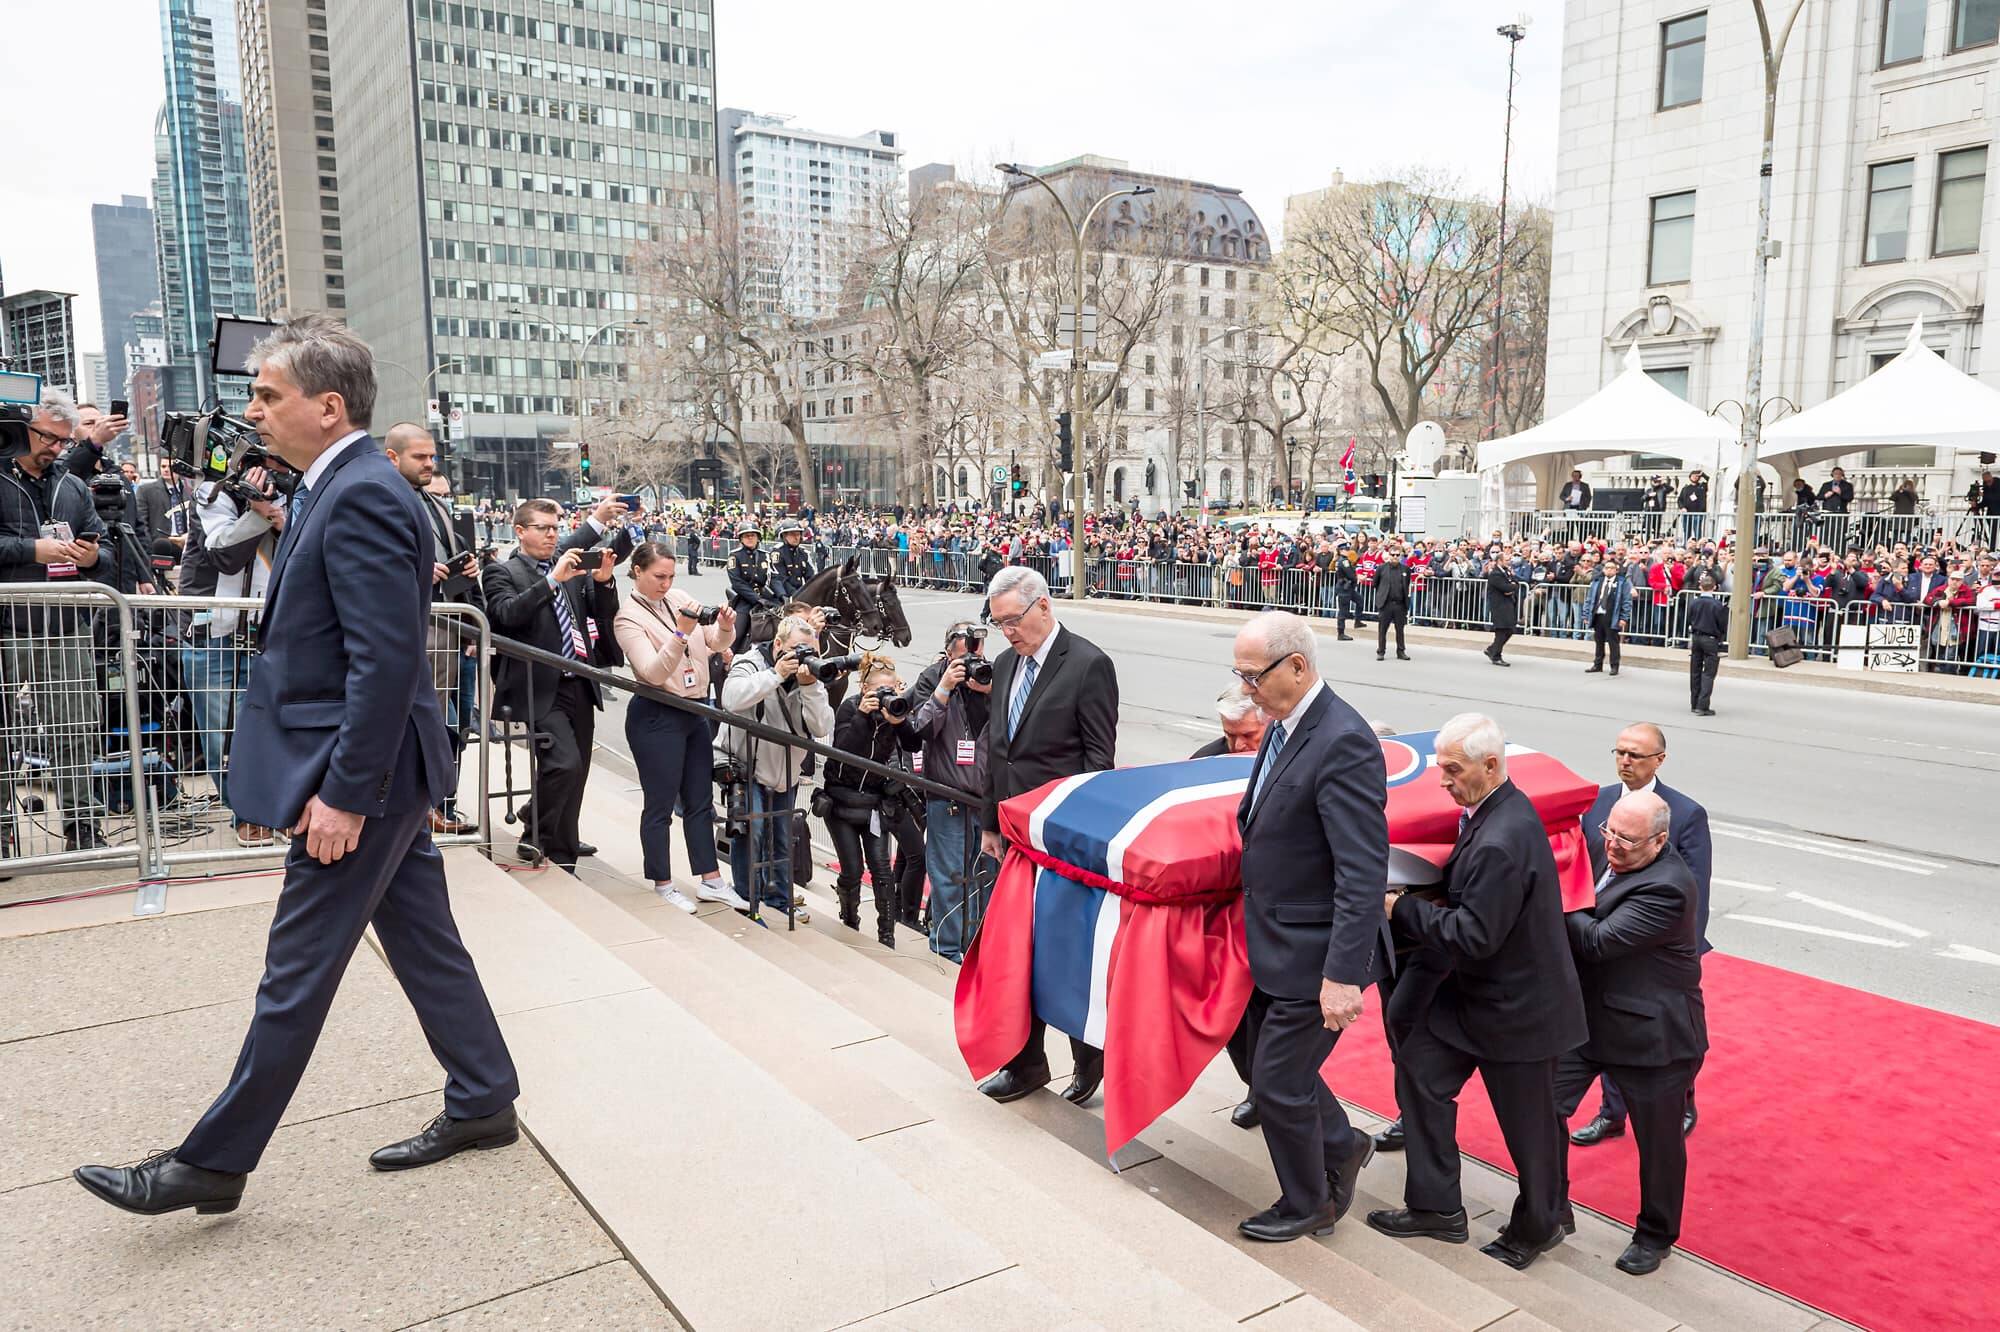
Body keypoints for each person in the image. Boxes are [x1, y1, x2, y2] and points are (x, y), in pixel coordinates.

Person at [73, 313, 517, 1217]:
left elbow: (385, 662)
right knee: (425, 943)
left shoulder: (362, 493)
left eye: (268, 395)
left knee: (296, 971)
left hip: (363, 778)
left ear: (327, 406)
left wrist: (346, 795)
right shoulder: (335, 483)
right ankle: (483, 1098)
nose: (252, 410)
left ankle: (213, 1162)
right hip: (378, 769)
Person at [1368, 712, 1587, 1271]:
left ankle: (1540, 1224)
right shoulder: (1494, 811)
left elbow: (1475, 935)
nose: (1442, 780)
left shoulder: (1500, 838)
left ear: (1490, 765)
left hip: (1519, 1012)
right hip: (1478, 998)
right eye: (1441, 767)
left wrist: (1402, 907)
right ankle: (1436, 1207)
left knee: (1531, 1129)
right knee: (1419, 1073)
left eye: (1453, 770)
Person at [1227, 613, 1388, 1242]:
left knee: (1278, 1081)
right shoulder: (1284, 723)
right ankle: (1343, 1144)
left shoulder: (1343, 740)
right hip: (1273, 940)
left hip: (1317, 952)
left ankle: (1309, 1202)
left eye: (1253, 676)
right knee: (1254, 1059)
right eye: (1239, 675)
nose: (1246, 690)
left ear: (1296, 666)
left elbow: (1362, 869)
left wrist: (1342, 975)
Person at [974, 565, 1118, 1107]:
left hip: (1063, 841)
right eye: (999, 623)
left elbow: (1097, 763)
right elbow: (999, 749)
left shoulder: (1087, 664)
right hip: (1015, 836)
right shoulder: (1005, 664)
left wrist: (1082, 838)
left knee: (1066, 953)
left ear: (1043, 605)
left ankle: (1089, 1055)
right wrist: (991, 820)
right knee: (1017, 951)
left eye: (1014, 619)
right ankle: (1026, 1063)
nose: (1007, 631)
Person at [1557, 790, 1707, 1277]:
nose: (1612, 844)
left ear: (1660, 841)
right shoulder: (1608, 848)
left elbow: (1598, 941)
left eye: (1627, 839)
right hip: (1589, 1023)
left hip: (1653, 1039)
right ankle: (1550, 1206)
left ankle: (1655, 1236)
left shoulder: (1669, 886)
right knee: (1541, 1107)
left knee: (1659, 1144)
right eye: (1610, 831)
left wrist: (1561, 900)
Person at [1572, 721, 1712, 1147]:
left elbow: (1695, 891)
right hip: (1605, 938)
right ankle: (1612, 1114)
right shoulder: (1597, 802)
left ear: (1659, 760)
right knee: (1610, 1027)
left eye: (1635, 754)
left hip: (1656, 948)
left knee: (1660, 1036)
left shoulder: (1685, 813)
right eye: (1620, 752)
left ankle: (1680, 1101)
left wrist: (1684, 952)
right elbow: (1585, 870)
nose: (1625, 761)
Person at [0, 388, 113, 856]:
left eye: (65, 440)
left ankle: (82, 825)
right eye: (48, 437)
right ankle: (2, 831)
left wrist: (91, 558)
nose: (56, 447)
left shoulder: (73, 485)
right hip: (8, 626)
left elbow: (105, 550)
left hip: (65, 625)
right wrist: (33, 550)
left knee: (76, 730)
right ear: (20, 428)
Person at [483, 497, 623, 870]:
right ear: (520, 531)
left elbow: (600, 614)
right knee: (564, 763)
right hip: (537, 686)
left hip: (580, 681)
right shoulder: (502, 572)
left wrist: (604, 583)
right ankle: (536, 833)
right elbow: (506, 615)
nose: (551, 535)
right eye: (542, 528)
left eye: (555, 528)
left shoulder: (569, 570)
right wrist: (551, 581)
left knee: (578, 771)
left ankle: (563, 852)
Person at [611, 541, 747, 913]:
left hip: (695, 708)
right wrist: (681, 633)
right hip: (657, 712)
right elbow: (653, 672)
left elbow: (716, 643)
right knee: (660, 804)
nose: (666, 584)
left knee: (700, 800)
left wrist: (725, 627)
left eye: (671, 576)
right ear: (637, 571)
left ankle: (711, 880)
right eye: (659, 576)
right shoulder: (627, 617)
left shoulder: (680, 597)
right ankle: (663, 882)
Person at [177, 461, 289, 847]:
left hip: (271, 629)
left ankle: (278, 808)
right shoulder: (212, 493)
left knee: (277, 726)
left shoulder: (296, 492)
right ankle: (246, 813)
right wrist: (258, 513)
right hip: (213, 633)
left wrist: (281, 522)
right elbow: (224, 554)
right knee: (222, 735)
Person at [384, 424, 481, 835]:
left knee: (442, 725)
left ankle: (432, 807)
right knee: (413, 726)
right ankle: (416, 810)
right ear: (392, 457)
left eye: (432, 457)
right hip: (407, 631)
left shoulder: (436, 504)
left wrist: (465, 569)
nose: (429, 464)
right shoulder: (382, 499)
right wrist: (420, 572)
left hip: (447, 630)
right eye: (420, 457)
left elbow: (445, 554)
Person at [1189, 682, 1271, 1129]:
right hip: (1222, 912)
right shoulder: (1206, 762)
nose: (1238, 746)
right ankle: (1255, 1083)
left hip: (1271, 913)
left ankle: (1269, 1090)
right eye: (1230, 735)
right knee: (1230, 1015)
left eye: (1248, 736)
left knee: (1268, 1013)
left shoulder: (1285, 760)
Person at [719, 612, 835, 922]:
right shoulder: (750, 662)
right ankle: (747, 899)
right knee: (753, 831)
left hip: (786, 772)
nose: (803, 657)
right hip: (748, 767)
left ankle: (780, 901)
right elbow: (730, 699)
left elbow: (822, 726)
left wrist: (811, 687)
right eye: (797, 650)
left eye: (810, 651)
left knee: (783, 839)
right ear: (778, 644)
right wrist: (776, 675)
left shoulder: (810, 676)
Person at [907, 620, 996, 962]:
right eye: (963, 658)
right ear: (947, 654)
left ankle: (975, 950)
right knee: (949, 877)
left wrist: (991, 691)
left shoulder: (993, 676)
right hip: (947, 796)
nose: (972, 663)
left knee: (984, 877)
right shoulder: (933, 678)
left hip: (985, 799)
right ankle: (946, 950)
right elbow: (920, 730)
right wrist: (944, 688)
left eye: (977, 655)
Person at [822, 652, 923, 943]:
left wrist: (899, 721)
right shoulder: (850, 708)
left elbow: (914, 744)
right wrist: (863, 716)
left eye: (889, 689)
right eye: (879, 690)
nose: (884, 696)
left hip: (874, 803)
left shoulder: (894, 711)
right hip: (841, 800)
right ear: (865, 688)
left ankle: (887, 936)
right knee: (852, 870)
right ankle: (850, 920)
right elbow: (845, 751)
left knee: (882, 871)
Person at [726, 520, 775, 652]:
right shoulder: (735, 556)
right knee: (737, 634)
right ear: (741, 539)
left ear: (758, 537)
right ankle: (727, 658)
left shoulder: (766, 556)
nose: (750, 538)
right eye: (746, 536)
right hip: (744, 600)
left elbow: (772, 578)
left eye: (753, 535)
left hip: (765, 599)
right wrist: (756, 599)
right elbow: (737, 583)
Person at [1686, 574, 1727, 716]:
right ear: (1714, 587)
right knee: (1709, 673)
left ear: (1700, 587)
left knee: (1695, 671)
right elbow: (1722, 624)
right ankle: (1702, 705)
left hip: (1696, 637)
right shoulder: (1717, 605)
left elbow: (1689, 619)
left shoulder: (1694, 603)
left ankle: (1694, 703)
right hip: (1710, 638)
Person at [1585, 556, 1632, 676]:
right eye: (1607, 568)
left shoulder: (1622, 583)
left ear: (1616, 570)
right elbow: (1590, 599)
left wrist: (1623, 618)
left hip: (1612, 615)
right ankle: (1597, 664)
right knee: (1598, 641)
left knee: (1613, 642)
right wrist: (1586, 615)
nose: (1609, 570)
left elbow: (1626, 601)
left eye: (1611, 568)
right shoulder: (1597, 582)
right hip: (1598, 614)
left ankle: (1614, 665)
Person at [1375, 549, 1411, 661]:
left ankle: (1401, 651)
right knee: (1382, 629)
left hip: (1400, 604)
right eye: (1393, 554)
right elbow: (1375, 583)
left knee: (1400, 629)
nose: (1395, 556)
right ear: (1389, 555)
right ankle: (1381, 651)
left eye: (1397, 555)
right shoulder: (1381, 568)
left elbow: (1406, 584)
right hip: (1386, 604)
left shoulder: (1405, 569)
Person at [771, 517, 816, 602]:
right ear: (784, 536)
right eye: (792, 534)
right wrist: (796, 595)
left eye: (798, 534)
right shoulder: (778, 553)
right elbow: (780, 578)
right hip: (782, 595)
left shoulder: (804, 553)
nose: (796, 537)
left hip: (800, 593)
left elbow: (811, 577)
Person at [1485, 555, 1518, 667]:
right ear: (1499, 561)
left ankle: (1492, 649)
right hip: (1499, 606)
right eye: (1507, 560)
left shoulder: (1506, 572)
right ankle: (1496, 656)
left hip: (1507, 604)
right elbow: (1505, 587)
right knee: (1501, 631)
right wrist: (1511, 587)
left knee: (1510, 629)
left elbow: (1516, 583)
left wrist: (1512, 586)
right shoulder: (1495, 574)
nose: (1509, 562)